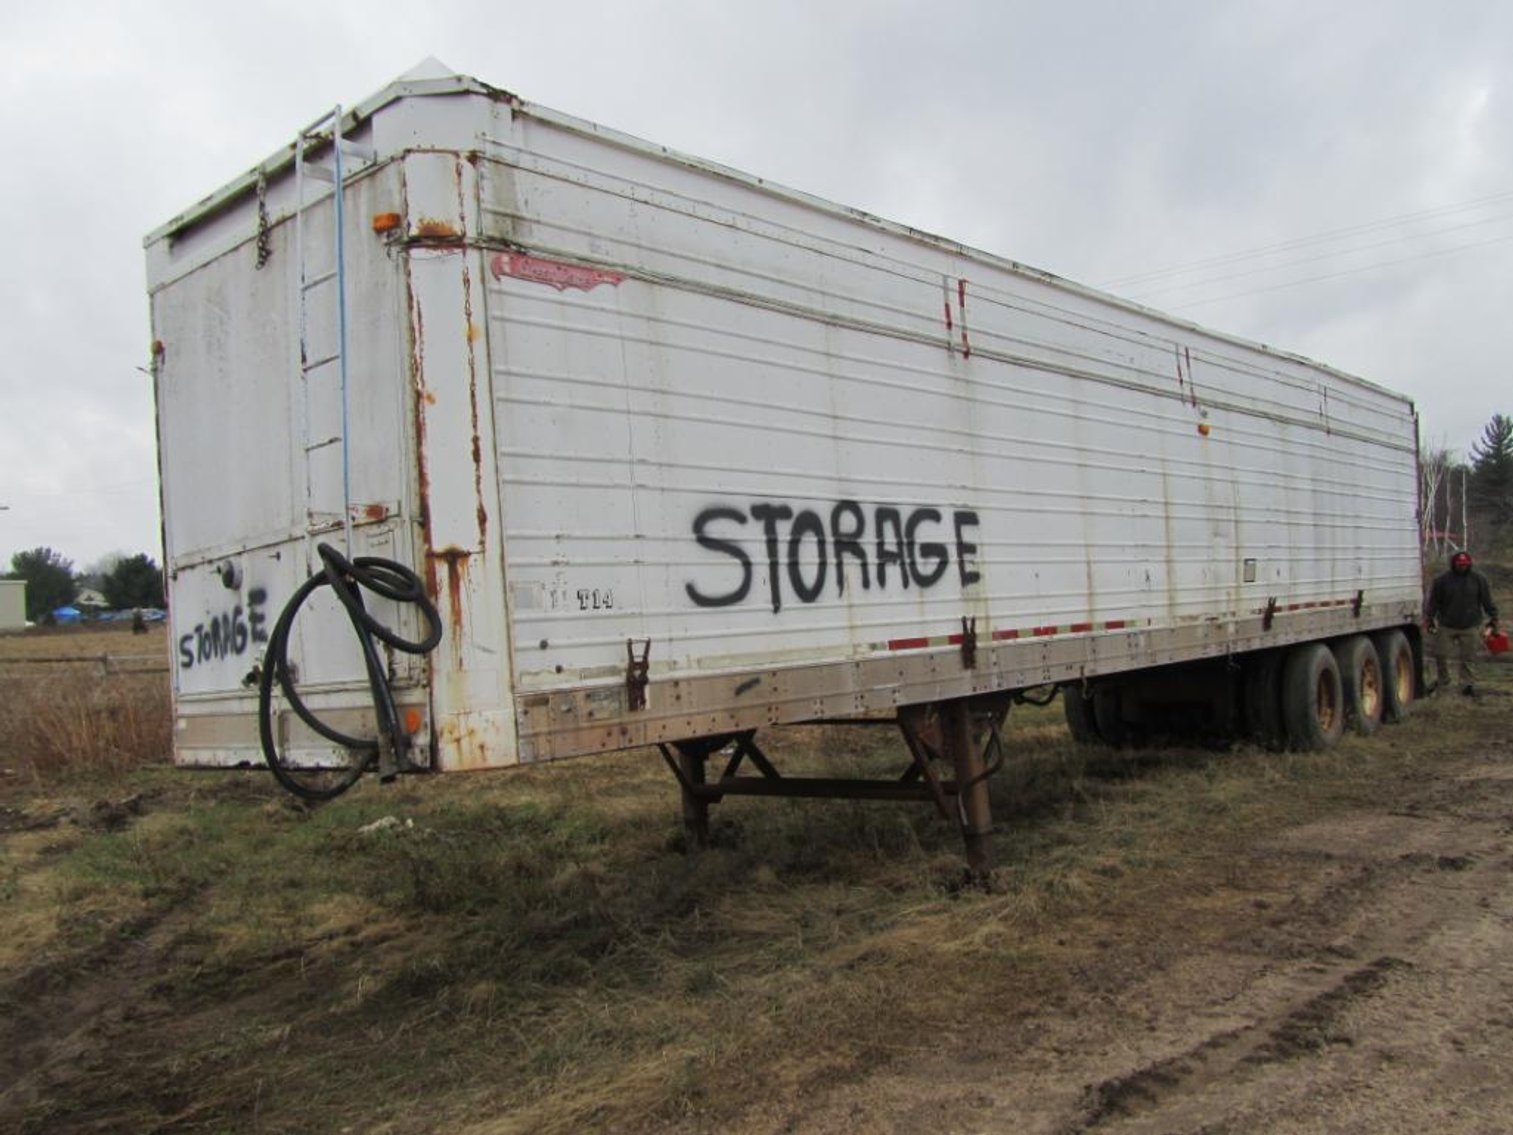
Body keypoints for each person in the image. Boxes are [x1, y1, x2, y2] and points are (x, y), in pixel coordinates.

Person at [1425, 550, 1499, 696]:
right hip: (1447, 624)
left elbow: (1487, 600)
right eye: (1459, 564)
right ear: (1453, 564)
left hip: (1470, 625)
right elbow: (1433, 602)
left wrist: (1493, 618)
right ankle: (1443, 681)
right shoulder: (1441, 581)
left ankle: (1467, 685)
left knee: (1468, 657)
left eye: (1465, 564)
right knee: (1441, 654)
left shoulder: (1479, 579)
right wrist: (1430, 619)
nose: (1462, 567)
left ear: (1469, 564)